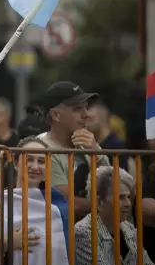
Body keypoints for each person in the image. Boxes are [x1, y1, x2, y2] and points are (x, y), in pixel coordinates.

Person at [0, 136, 71, 265]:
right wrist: (4, 243)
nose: (35, 166)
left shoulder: (59, 203)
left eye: (41, 161)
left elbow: (68, 252)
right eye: (29, 160)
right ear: (16, 164)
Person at [36, 81, 107, 219]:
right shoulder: (42, 148)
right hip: (62, 234)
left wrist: (95, 153)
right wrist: (108, 206)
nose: (86, 114)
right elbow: (70, 204)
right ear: (56, 115)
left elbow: (115, 185)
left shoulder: (86, 142)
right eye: (77, 109)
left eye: (86, 108)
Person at [87, 99, 129, 171]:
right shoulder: (91, 144)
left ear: (102, 119)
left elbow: (121, 177)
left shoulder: (116, 146)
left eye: (90, 118)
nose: (86, 123)